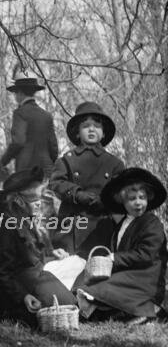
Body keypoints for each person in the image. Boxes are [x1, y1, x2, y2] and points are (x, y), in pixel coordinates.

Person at [76, 168, 167, 324]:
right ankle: (117, 313)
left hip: (146, 277)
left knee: (100, 289)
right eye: (132, 199)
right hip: (129, 273)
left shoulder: (152, 223)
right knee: (87, 282)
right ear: (122, 201)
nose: (138, 202)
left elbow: (145, 254)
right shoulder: (123, 223)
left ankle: (151, 311)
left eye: (142, 198)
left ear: (148, 199)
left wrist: (114, 258)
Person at [0, 167, 76, 326]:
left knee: (72, 296)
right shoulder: (6, 229)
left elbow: (32, 256)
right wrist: (23, 296)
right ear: (18, 201)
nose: (39, 204)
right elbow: (3, 274)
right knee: (63, 305)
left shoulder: (28, 223)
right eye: (34, 200)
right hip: (17, 291)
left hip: (37, 278)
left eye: (40, 199)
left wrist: (53, 254)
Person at [49, 101, 125, 255]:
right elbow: (56, 183)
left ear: (103, 133)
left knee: (100, 268)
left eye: (97, 125)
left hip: (102, 226)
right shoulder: (66, 160)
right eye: (85, 126)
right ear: (77, 132)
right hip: (72, 227)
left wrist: (105, 200)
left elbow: (121, 192)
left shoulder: (115, 163)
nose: (91, 129)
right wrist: (78, 194)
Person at [0, 71, 59, 178]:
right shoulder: (47, 115)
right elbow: (53, 148)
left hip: (27, 171)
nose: (15, 96)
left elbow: (18, 142)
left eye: (15, 92)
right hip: (47, 171)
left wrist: (3, 162)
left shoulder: (20, 113)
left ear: (20, 93)